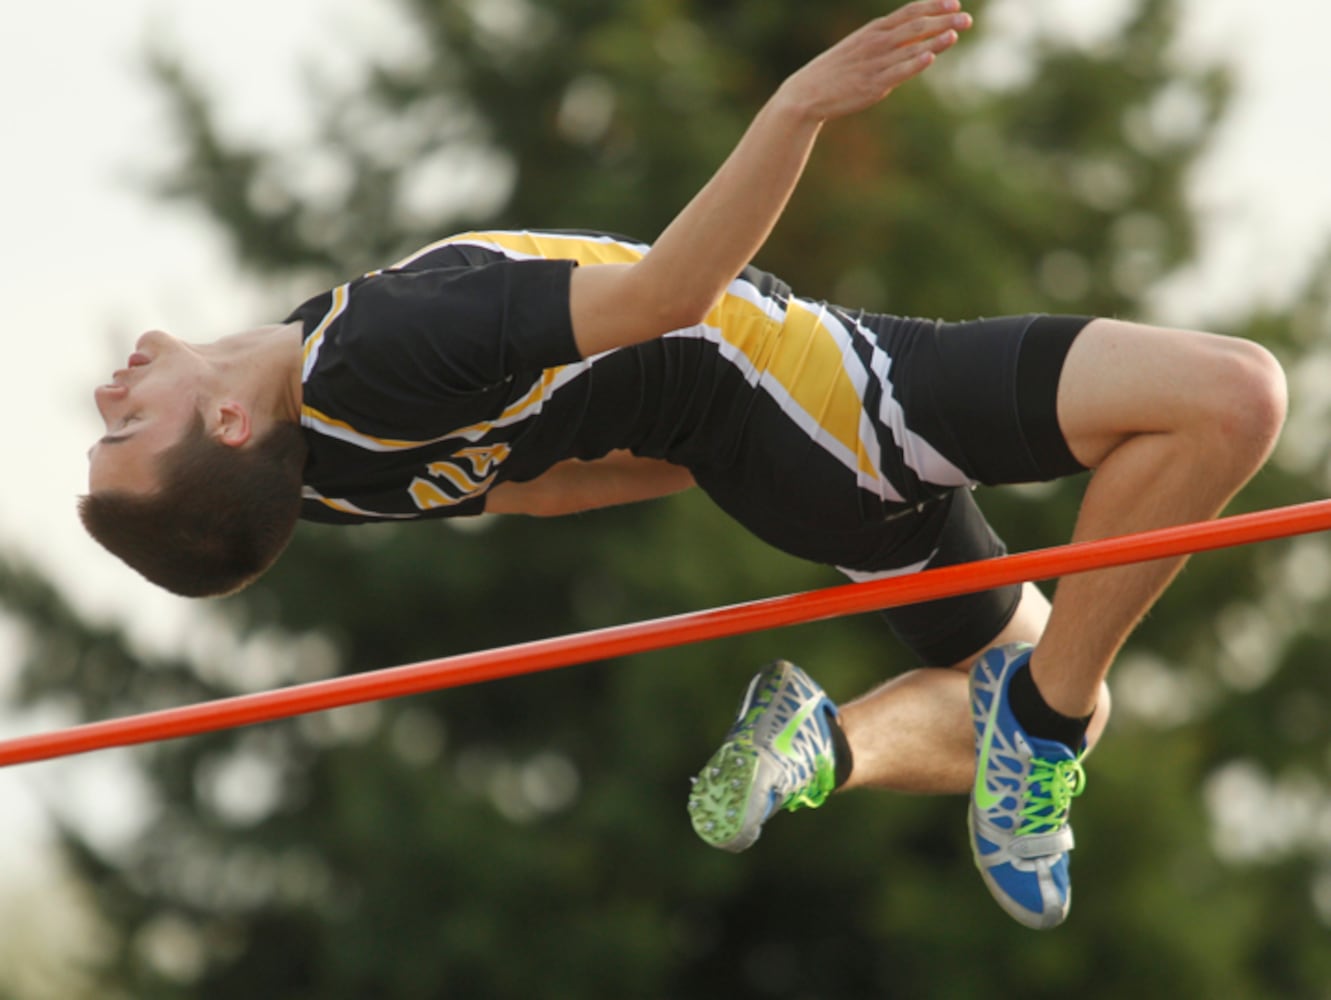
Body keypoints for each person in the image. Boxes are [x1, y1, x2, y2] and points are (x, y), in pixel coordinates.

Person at [81, 0, 1287, 929]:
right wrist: (795, 111)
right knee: (1229, 401)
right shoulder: (380, 349)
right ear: (227, 431)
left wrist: (716, 454)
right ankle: (1035, 729)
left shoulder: (329, 470)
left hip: (783, 453)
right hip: (831, 398)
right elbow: (668, 294)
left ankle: (829, 743)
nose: (109, 391)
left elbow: (537, 481)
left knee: (1048, 670)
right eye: (126, 427)